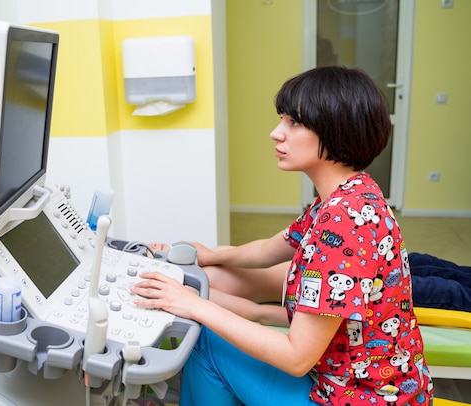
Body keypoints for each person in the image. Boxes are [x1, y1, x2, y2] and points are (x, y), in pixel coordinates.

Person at [131, 66, 433, 405]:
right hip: (379, 387)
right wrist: (211, 255)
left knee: (205, 341)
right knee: (213, 324)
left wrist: (193, 305)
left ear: (336, 130)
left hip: (359, 398)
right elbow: (266, 251)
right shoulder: (351, 193)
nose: (276, 133)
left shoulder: (342, 223)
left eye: (295, 122)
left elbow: (295, 358)